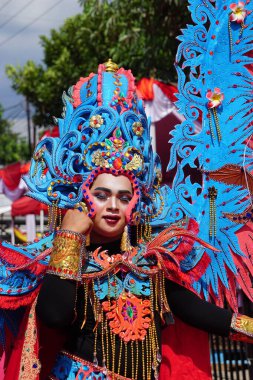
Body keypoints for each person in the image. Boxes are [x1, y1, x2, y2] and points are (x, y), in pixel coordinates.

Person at [1, 60, 253, 380]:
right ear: (82, 195)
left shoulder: (148, 261)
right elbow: (53, 314)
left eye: (123, 197)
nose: (113, 207)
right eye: (102, 195)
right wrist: (70, 237)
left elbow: (195, 311)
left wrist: (248, 328)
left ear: (136, 202)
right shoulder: (64, 259)